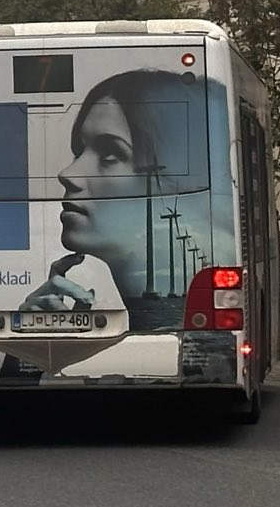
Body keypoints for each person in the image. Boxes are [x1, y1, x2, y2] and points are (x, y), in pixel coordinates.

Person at [20, 67, 211, 332]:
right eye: (79, 152)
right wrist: (40, 345)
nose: (67, 174)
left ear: (168, 181)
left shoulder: (196, 339)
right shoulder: (79, 302)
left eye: (109, 154)